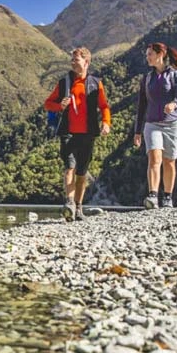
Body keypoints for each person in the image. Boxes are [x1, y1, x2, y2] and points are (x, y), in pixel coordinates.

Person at [43, 47, 112, 222]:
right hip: (68, 132)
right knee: (69, 168)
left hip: (88, 133)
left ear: (86, 62)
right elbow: (47, 104)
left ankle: (79, 207)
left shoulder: (96, 83)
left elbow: (104, 106)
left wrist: (106, 123)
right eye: (72, 60)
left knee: (82, 173)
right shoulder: (64, 82)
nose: (73, 62)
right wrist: (60, 106)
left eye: (76, 60)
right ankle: (69, 203)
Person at [133, 42, 177, 209]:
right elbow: (141, 105)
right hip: (152, 124)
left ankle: (168, 197)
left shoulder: (175, 75)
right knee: (154, 158)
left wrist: (174, 104)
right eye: (147, 54)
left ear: (160, 55)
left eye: (150, 54)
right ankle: (153, 195)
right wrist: (137, 131)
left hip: (172, 124)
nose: (147, 57)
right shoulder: (147, 78)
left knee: (169, 161)